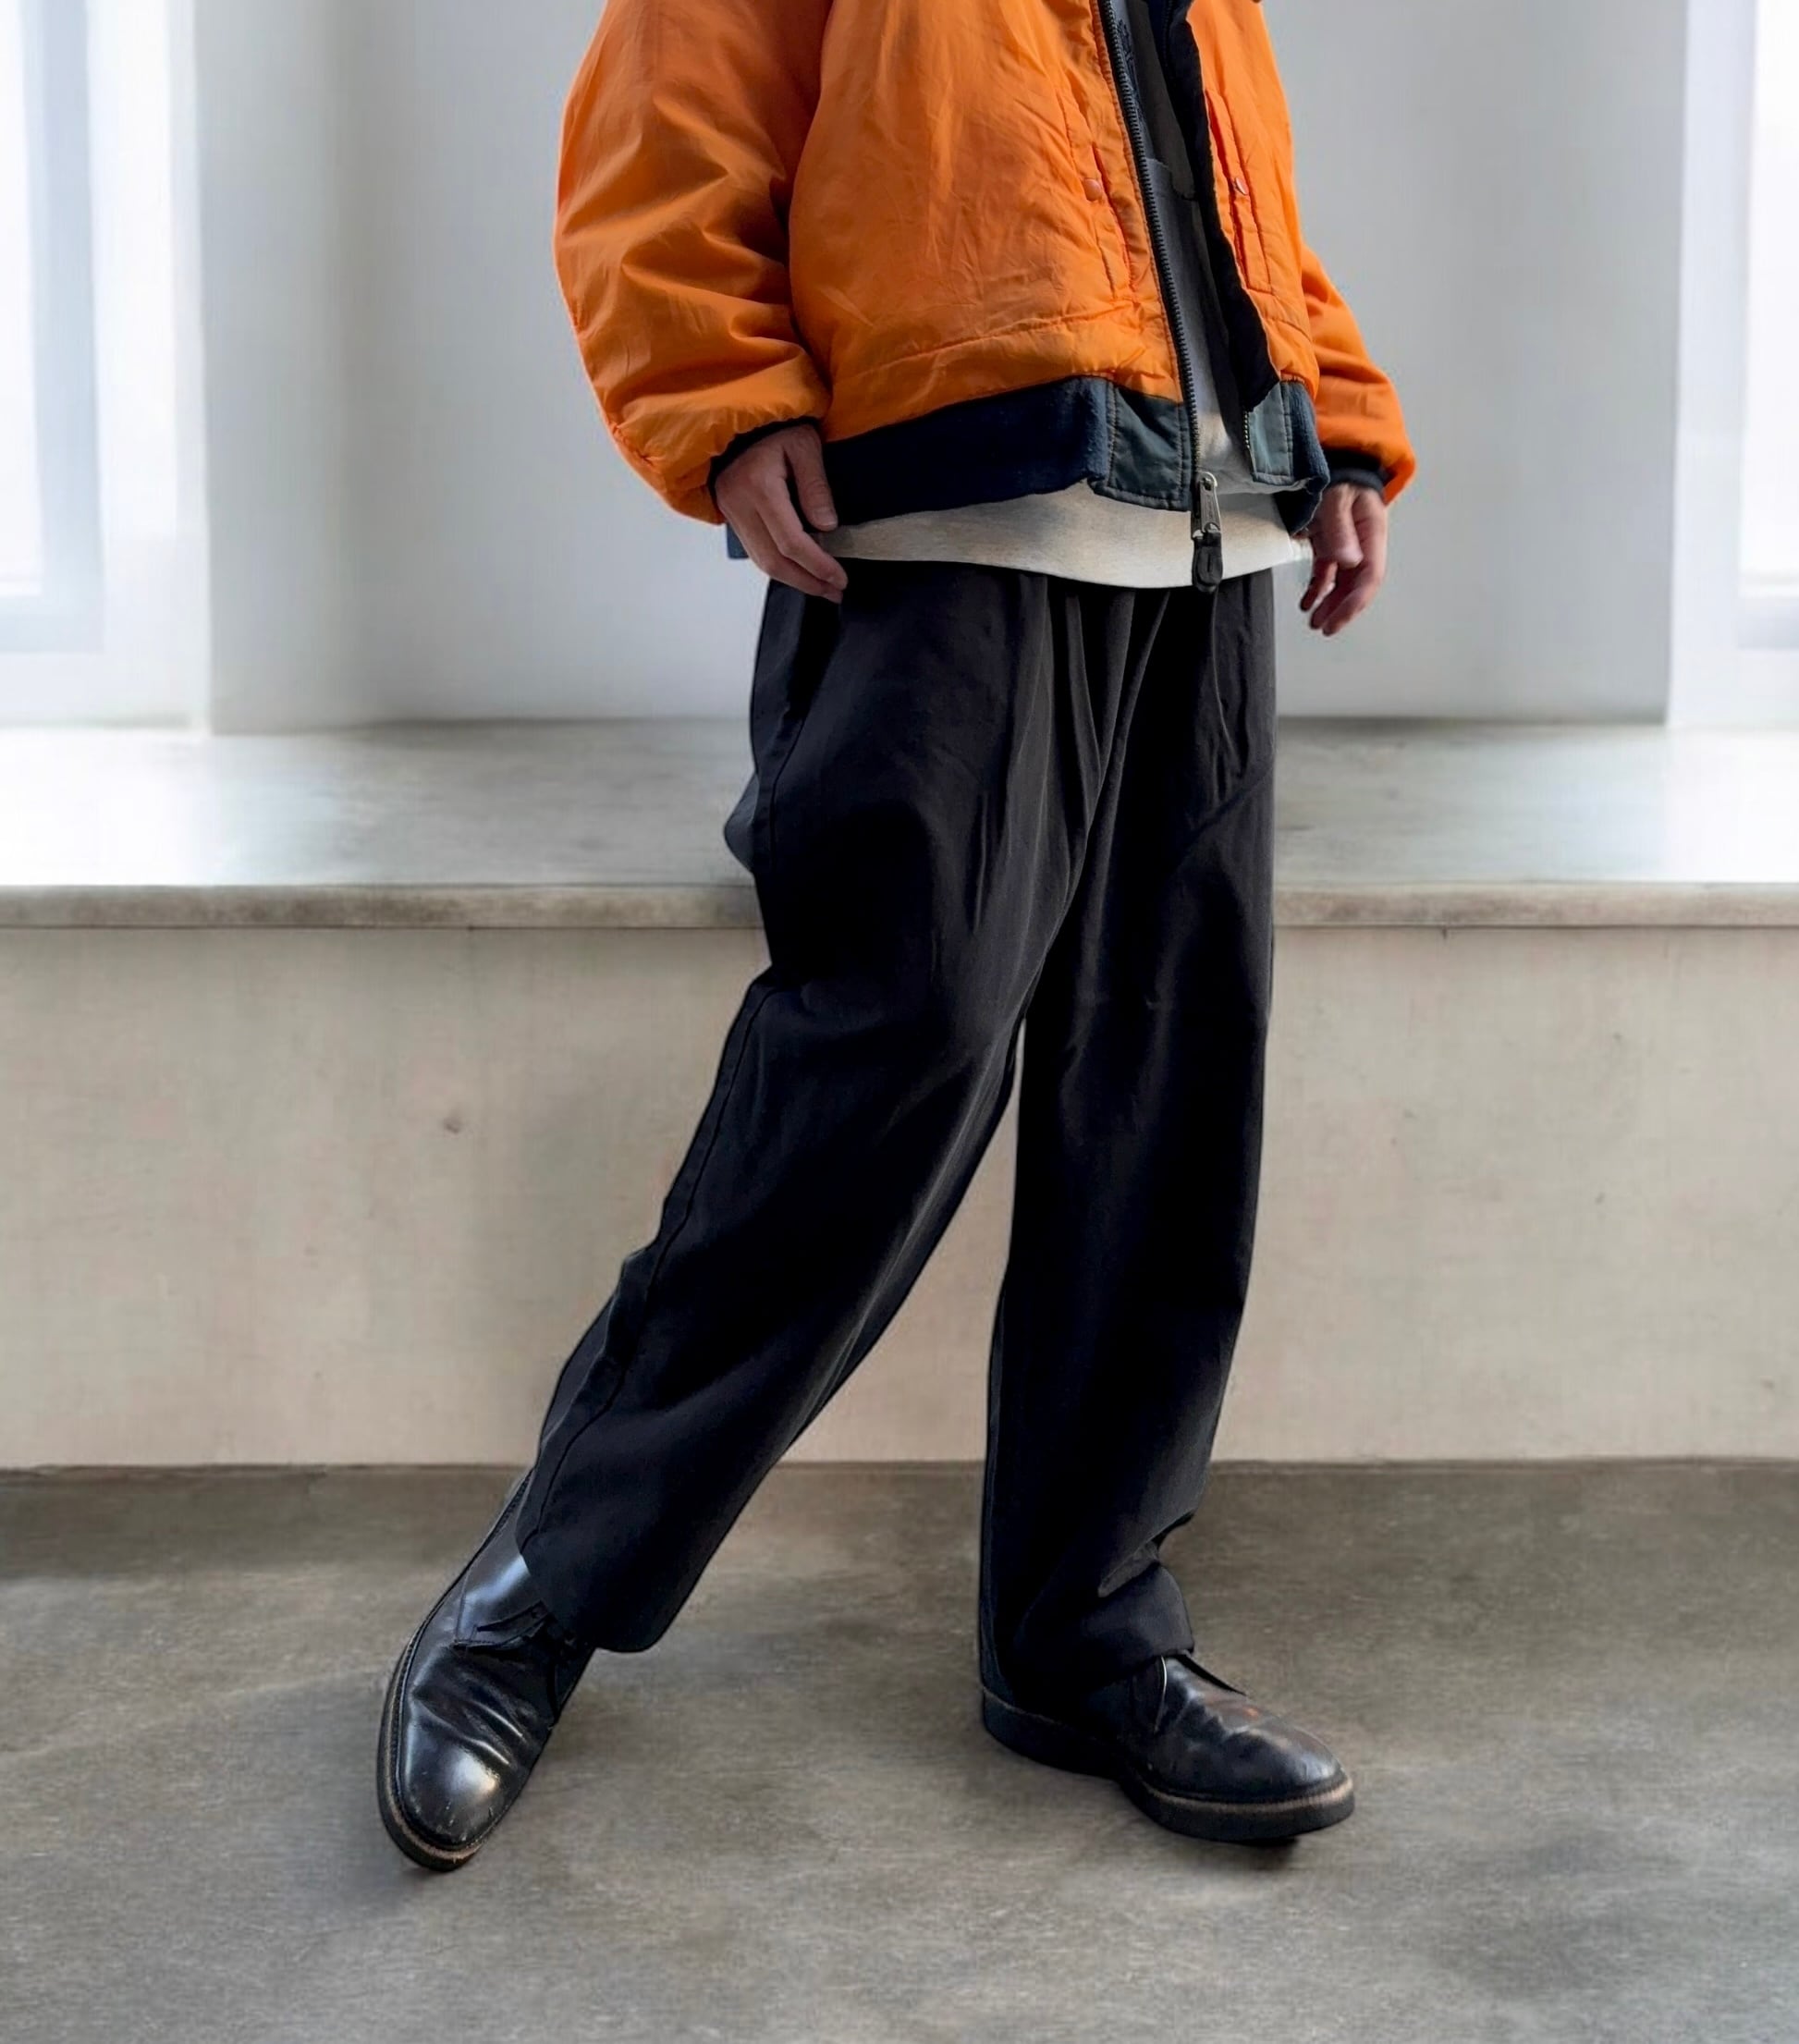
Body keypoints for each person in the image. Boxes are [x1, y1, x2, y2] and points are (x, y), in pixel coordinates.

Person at [377, 0, 1415, 1871]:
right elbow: (667, 122)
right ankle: (543, 1586)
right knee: (882, 1059)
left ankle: (1086, 1633)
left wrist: (1327, 415)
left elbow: (1229, 183)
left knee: (1165, 1093)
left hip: (1208, 534)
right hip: (940, 518)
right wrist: (722, 393)